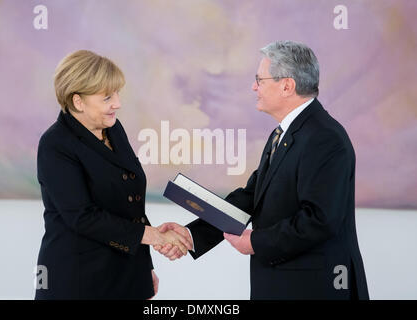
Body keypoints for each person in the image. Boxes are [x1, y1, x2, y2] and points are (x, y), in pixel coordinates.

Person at [157, 41, 369, 300]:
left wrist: (255, 242)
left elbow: (319, 220)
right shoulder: (284, 133)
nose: (254, 87)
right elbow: (251, 196)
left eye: (260, 80)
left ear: (286, 86)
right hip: (282, 284)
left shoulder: (324, 138)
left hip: (313, 287)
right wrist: (192, 235)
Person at [35, 50, 192, 300]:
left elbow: (131, 205)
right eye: (107, 97)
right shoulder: (55, 144)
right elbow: (82, 217)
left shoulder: (113, 128)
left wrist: (145, 265)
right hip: (80, 280)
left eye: (117, 93)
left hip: (127, 273)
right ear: (78, 101)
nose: (117, 103)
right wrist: (152, 236)